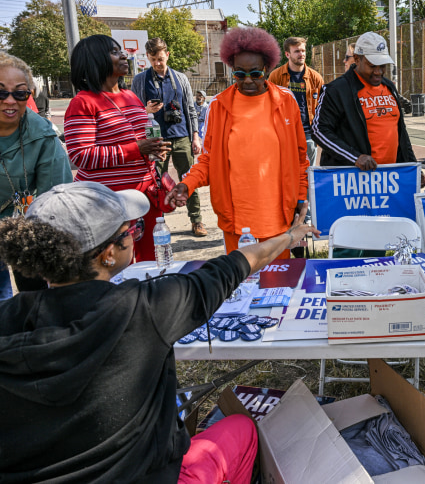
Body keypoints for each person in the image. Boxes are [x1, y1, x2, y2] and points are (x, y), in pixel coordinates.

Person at [0, 181, 317, 482]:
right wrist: (290, 237)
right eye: (130, 231)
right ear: (107, 254)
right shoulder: (146, 308)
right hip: (153, 476)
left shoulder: (7, 318)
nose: (134, 236)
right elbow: (237, 264)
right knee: (242, 428)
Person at [165, 27, 310, 258]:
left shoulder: (285, 101)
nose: (248, 81)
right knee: (241, 287)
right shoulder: (220, 105)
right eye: (239, 74)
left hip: (279, 217)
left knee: (278, 287)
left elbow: (300, 157)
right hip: (236, 221)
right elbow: (209, 159)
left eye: (256, 73)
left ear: (267, 68)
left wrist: (301, 199)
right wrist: (187, 184)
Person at [65, 35, 171, 263]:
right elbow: (79, 155)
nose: (124, 54)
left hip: (144, 200)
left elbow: (139, 141)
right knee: (118, 272)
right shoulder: (83, 102)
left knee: (151, 265)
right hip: (110, 207)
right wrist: (137, 149)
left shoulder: (129, 96)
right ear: (94, 61)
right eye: (114, 52)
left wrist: (153, 150)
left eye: (121, 50)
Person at [0, 53, 72, 299]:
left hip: (24, 224)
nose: (10, 101)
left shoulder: (42, 134)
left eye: (20, 93)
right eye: (1, 92)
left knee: (35, 297)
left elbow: (57, 195)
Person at [313, 31, 424, 182]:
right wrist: (355, 157)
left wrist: (413, 167)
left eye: (382, 66)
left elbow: (401, 134)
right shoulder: (337, 90)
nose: (378, 72)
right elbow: (319, 130)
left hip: (391, 179)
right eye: (372, 66)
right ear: (357, 59)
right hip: (354, 181)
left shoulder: (389, 86)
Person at [131, 37, 207, 237]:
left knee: (189, 179)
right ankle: (159, 222)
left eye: (161, 59)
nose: (157, 63)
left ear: (168, 55)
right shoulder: (140, 80)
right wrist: (144, 110)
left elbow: (191, 109)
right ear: (147, 57)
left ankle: (196, 219)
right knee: (156, 184)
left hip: (182, 135)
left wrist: (196, 136)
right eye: (153, 59)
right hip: (155, 140)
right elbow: (132, 112)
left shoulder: (180, 78)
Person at [268, 36, 324, 168]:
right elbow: (269, 105)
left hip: (308, 135)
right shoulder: (276, 76)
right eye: (297, 51)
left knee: (308, 176)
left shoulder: (315, 77)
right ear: (287, 54)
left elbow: (323, 106)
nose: (302, 54)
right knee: (286, 172)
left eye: (303, 51)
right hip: (285, 133)